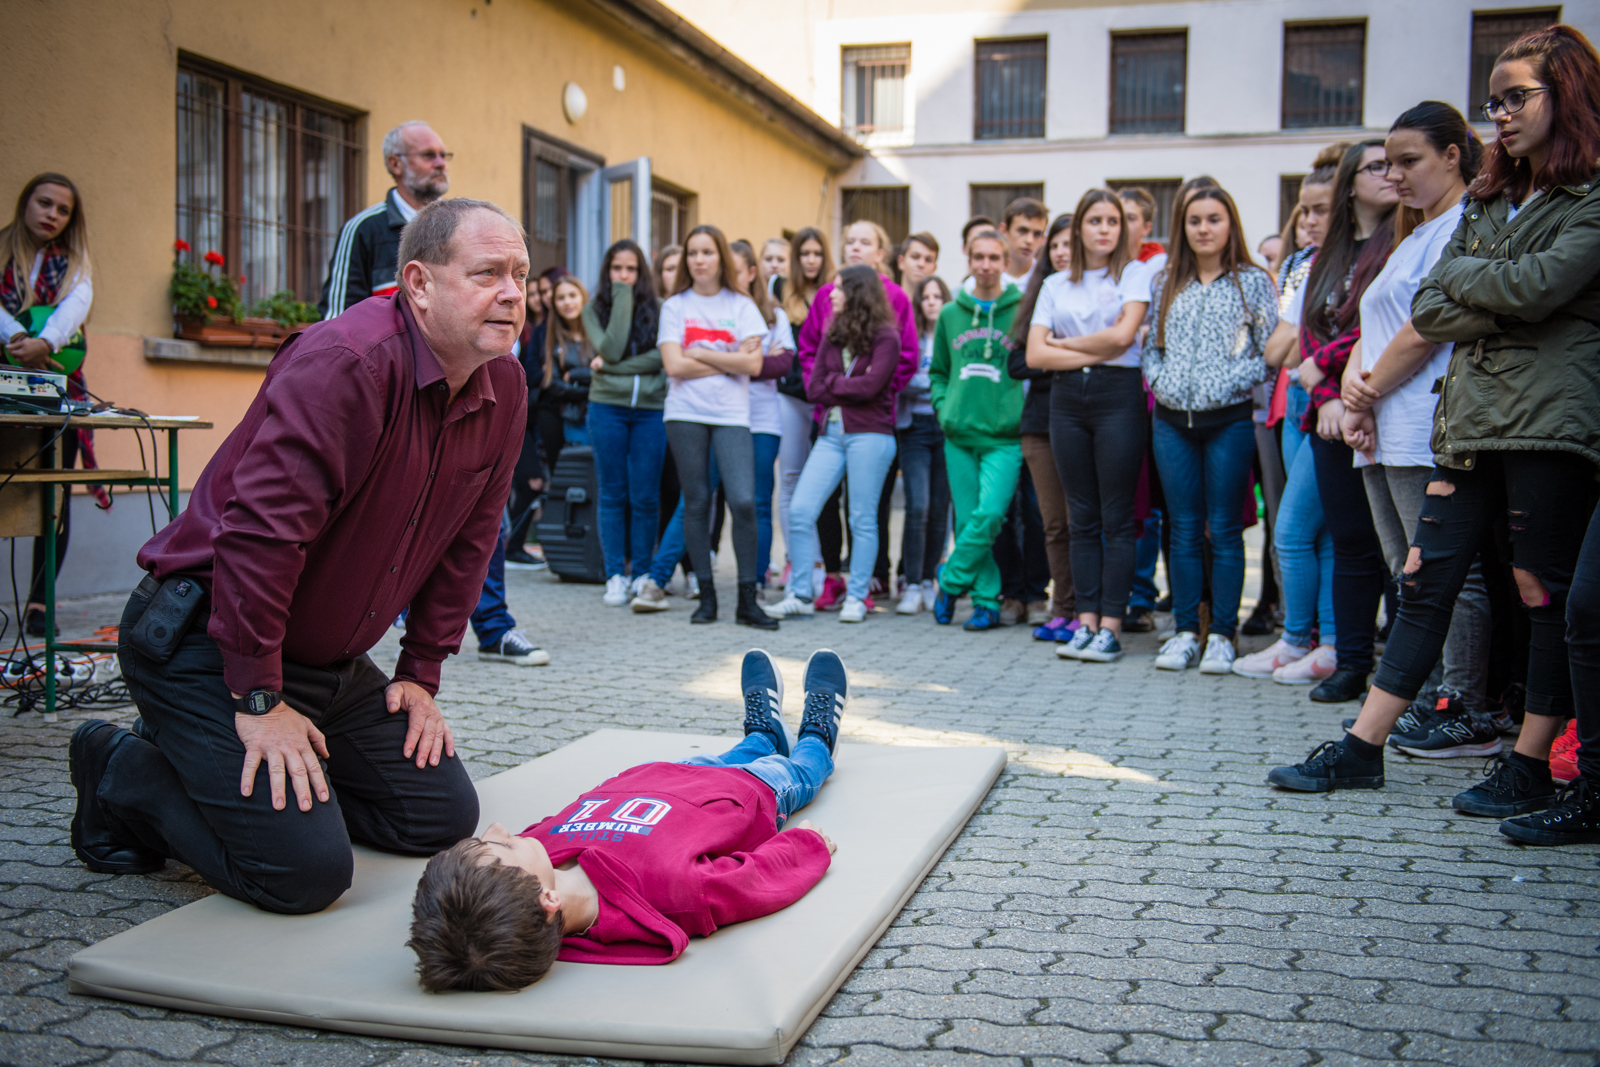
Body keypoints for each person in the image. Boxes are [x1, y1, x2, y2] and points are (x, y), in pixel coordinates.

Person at [68, 198, 527, 913]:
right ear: (418, 282)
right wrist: (257, 696)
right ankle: (120, 767)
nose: (511, 293)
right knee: (304, 873)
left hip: (325, 665)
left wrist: (421, 671)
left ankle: (221, 763)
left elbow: (470, 540)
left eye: (520, 276)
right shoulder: (348, 363)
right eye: (487, 272)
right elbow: (259, 535)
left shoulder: (506, 386)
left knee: (436, 816)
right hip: (209, 643)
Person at [1273, 26, 1600, 844]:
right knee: (1420, 576)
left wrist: (1471, 289)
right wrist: (1481, 289)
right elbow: (1443, 303)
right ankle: (1361, 746)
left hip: (1547, 422)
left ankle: (1530, 757)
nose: (1501, 114)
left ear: (1569, 92)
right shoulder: (1494, 198)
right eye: (1493, 101)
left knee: (1540, 590)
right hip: (1473, 416)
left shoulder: (1587, 194)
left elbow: (1534, 285)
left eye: (1515, 96)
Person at [407, 648, 846, 990]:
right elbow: (745, 884)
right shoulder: (669, 895)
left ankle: (763, 733)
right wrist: (802, 847)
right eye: (500, 846)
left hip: (674, 772)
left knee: (741, 750)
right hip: (751, 791)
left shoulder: (537, 859)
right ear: (548, 901)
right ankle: (818, 736)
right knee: (801, 767)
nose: (499, 830)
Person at [1340, 102, 1498, 756]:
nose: (1396, 175)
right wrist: (1354, 388)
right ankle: (1419, 689)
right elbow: (1372, 322)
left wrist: (1367, 388)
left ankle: (1466, 704)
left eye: (1410, 161)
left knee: (1443, 572)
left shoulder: (1464, 224)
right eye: (1388, 162)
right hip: (1380, 423)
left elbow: (1427, 326)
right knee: (1401, 568)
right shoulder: (1414, 232)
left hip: (1421, 421)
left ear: (1454, 155)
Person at [1144, 185, 1277, 674]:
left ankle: (1222, 634)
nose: (1203, 228)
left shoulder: (1252, 281)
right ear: (1183, 226)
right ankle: (1184, 632)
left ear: (1230, 224)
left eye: (1213, 219)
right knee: (1180, 529)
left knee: (1223, 529)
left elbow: (1268, 353)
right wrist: (1161, 381)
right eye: (1194, 220)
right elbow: (1151, 347)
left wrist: (1227, 381)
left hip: (1229, 421)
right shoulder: (1165, 282)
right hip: (1172, 420)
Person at [1023, 193, 1154, 664]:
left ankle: (1111, 626)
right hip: (1066, 401)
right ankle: (1086, 621)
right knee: (1081, 517)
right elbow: (1036, 355)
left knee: (1117, 516)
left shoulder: (1136, 273)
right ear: (1079, 227)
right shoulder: (1055, 283)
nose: (1104, 229)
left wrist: (1067, 344)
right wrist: (1099, 348)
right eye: (1094, 221)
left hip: (1118, 397)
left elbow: (1125, 337)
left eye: (1113, 221)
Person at [1293, 141, 1399, 704]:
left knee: (1395, 547)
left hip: (1382, 409)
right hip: (1330, 416)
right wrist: (1329, 397)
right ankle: (1351, 663)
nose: (1390, 174)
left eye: (1396, 164)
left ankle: (1398, 677)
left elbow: (1380, 328)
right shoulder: (1328, 252)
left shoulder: (1403, 240)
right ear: (1351, 183)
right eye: (1376, 166)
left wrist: (1325, 373)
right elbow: (1312, 327)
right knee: (1351, 542)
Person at [1236, 146, 1345, 686]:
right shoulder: (1302, 263)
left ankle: (1304, 639)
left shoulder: (1350, 262)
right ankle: (1318, 644)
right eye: (1304, 210)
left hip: (1329, 397)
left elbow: (1291, 342)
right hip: (1294, 397)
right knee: (1313, 532)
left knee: (1296, 529)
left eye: (1320, 210)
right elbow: (1280, 347)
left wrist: (1299, 346)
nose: (1308, 220)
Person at [658, 224, 778, 629]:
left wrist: (698, 352)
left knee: (744, 500)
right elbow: (673, 366)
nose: (699, 260)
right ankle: (706, 598)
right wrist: (728, 354)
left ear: (720, 257)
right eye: (693, 253)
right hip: (685, 412)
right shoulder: (675, 306)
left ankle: (747, 600)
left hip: (731, 415)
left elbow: (755, 365)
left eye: (707, 252)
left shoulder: (742, 305)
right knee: (696, 502)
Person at [0, 173, 105, 637]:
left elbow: (76, 304)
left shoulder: (75, 264)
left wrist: (47, 341)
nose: (52, 215)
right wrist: (15, 337)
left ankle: (41, 603)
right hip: (6, 381)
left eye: (62, 211)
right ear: (26, 204)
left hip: (57, 386)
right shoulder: (2, 251)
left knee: (54, 497)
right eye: (44, 204)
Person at [766, 266, 901, 622]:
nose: (831, 295)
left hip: (871, 434)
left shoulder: (887, 337)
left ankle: (857, 597)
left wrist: (836, 385)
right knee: (800, 509)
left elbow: (872, 388)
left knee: (861, 517)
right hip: (831, 434)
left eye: (839, 289)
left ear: (858, 293)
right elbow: (813, 388)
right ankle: (800, 594)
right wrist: (847, 385)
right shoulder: (833, 332)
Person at [795, 221, 919, 610]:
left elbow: (900, 363)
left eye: (865, 242)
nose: (855, 248)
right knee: (817, 506)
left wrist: (870, 393)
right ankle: (826, 579)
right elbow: (811, 362)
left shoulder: (895, 301)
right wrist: (848, 388)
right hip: (830, 424)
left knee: (866, 510)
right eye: (849, 241)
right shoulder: (826, 302)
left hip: (871, 427)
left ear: (881, 253)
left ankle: (866, 586)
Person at [928, 230, 1025, 632]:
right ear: (968, 260)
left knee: (990, 515)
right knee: (969, 521)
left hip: (1004, 436)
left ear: (1005, 262)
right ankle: (986, 601)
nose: (986, 265)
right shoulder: (951, 314)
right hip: (959, 436)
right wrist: (943, 408)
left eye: (994, 258)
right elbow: (937, 371)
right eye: (979, 257)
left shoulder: (1022, 310)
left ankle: (949, 582)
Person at [584, 240, 666, 608]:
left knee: (646, 496)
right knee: (613, 493)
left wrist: (612, 367)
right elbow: (613, 346)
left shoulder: (661, 309)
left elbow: (661, 358)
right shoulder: (592, 310)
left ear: (641, 272)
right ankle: (615, 574)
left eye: (631, 270)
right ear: (608, 271)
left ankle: (643, 573)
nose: (624, 276)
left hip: (650, 409)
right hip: (607, 408)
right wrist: (621, 297)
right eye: (617, 269)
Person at [319, 121, 450, 318]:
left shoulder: (461, 227)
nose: (441, 163)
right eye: (428, 155)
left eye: (443, 155)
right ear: (395, 164)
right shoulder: (362, 229)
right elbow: (336, 321)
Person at [730, 239, 793, 593]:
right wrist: (744, 360)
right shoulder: (718, 310)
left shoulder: (774, 313)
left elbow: (783, 363)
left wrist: (735, 363)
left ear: (752, 273)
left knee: (758, 501)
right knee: (713, 499)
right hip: (724, 415)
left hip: (764, 419)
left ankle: (755, 576)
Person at [775, 227, 835, 585]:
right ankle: (800, 561)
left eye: (816, 253)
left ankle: (826, 566)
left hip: (826, 400)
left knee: (823, 484)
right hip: (791, 398)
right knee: (791, 479)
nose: (811, 260)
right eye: (804, 254)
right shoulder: (782, 293)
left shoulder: (835, 292)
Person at [893, 275, 953, 615]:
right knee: (918, 506)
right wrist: (935, 384)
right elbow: (902, 379)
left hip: (946, 429)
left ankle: (930, 580)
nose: (931, 301)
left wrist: (927, 383)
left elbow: (956, 379)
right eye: (925, 297)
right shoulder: (909, 338)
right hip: (913, 428)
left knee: (940, 508)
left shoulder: (951, 337)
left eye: (937, 295)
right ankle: (911, 582)